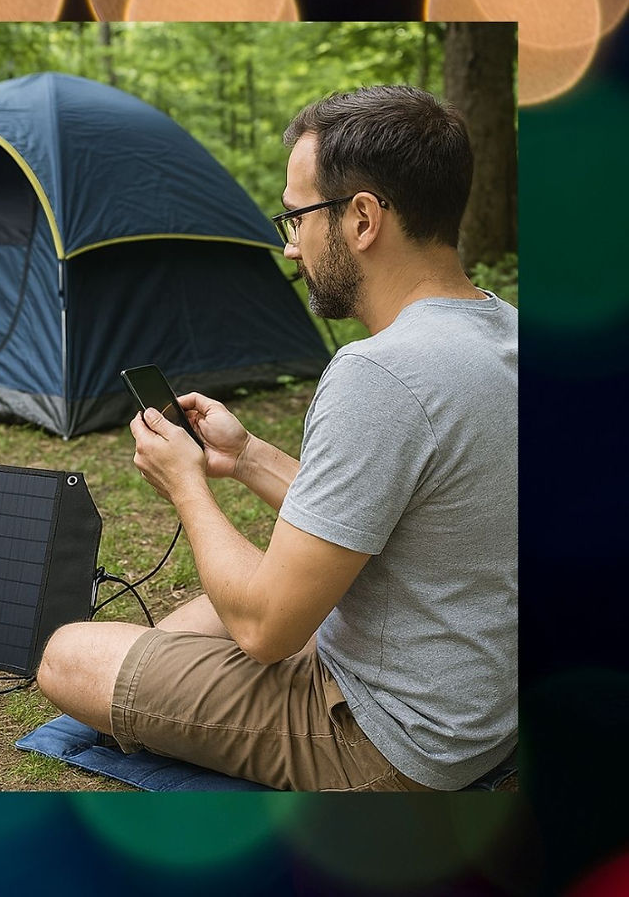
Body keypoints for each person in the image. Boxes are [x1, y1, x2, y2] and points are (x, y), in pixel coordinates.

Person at [37, 85, 517, 791]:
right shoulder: (503, 330)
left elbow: (267, 631)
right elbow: (404, 512)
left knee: (68, 655)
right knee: (194, 621)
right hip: (480, 704)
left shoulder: (380, 372)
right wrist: (247, 456)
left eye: (296, 217)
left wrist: (187, 485)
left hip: (396, 741)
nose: (291, 246)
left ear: (361, 219)